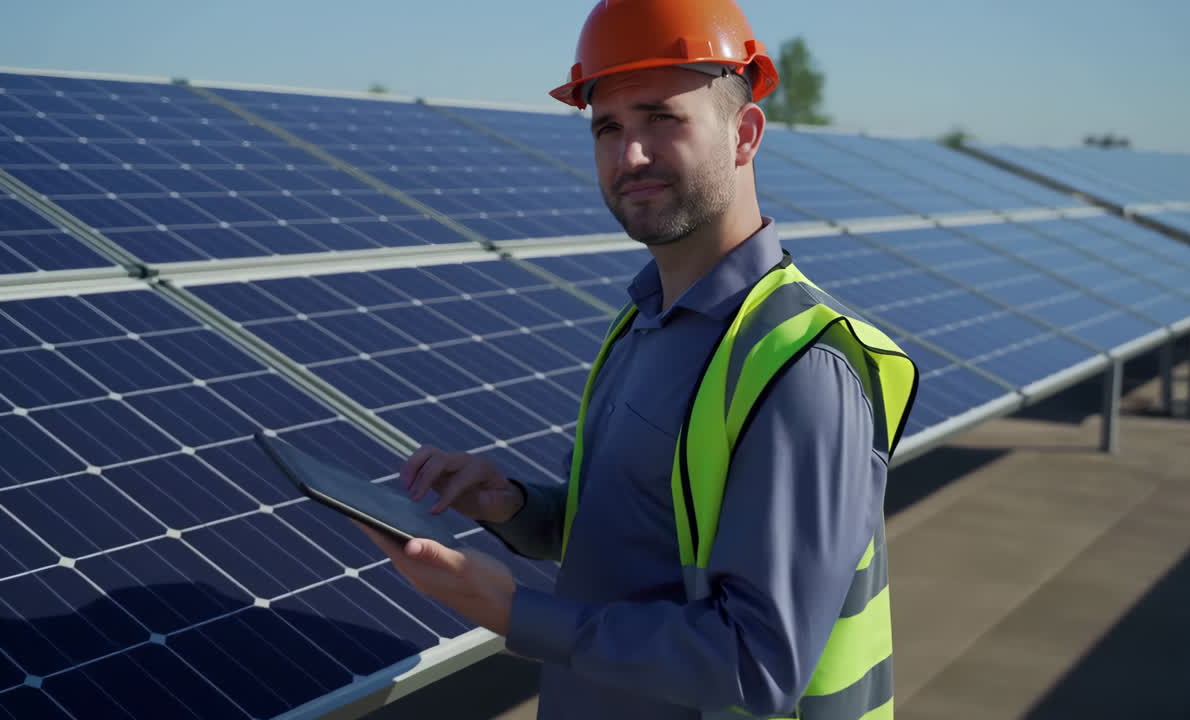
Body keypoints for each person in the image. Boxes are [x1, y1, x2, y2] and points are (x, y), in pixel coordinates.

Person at [354, 1, 918, 718]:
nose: (631, 156)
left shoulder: (798, 368)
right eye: (609, 128)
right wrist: (514, 506)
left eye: (663, 119)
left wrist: (510, 609)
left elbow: (757, 663)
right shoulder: (643, 323)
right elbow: (642, 532)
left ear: (744, 135)